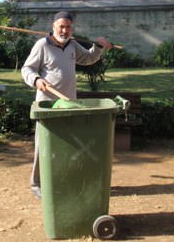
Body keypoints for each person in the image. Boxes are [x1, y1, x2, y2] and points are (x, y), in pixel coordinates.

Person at [21, 10, 113, 198]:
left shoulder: (72, 45)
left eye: (68, 27)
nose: (64, 30)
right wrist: (36, 79)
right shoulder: (42, 45)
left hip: (68, 102)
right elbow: (27, 68)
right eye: (61, 26)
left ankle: (65, 179)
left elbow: (87, 59)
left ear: (72, 28)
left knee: (67, 144)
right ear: (53, 27)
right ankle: (37, 184)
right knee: (43, 145)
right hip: (47, 104)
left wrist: (98, 47)